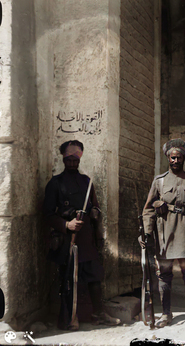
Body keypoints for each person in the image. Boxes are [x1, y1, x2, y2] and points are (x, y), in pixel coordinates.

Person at [44, 140, 120, 330]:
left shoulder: (87, 182)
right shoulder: (55, 183)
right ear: (63, 159)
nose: (72, 163)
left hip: (86, 239)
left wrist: (95, 213)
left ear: (79, 159)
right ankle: (70, 318)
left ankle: (99, 314)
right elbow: (47, 214)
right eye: (68, 159)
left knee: (94, 278)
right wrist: (66, 224)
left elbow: (95, 207)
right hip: (66, 240)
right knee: (69, 280)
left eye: (75, 159)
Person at [141, 138, 185, 327]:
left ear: (183, 158)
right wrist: (147, 232)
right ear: (168, 159)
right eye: (172, 158)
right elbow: (147, 209)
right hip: (165, 234)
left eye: (179, 158)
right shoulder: (159, 181)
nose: (176, 161)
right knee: (164, 273)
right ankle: (166, 314)